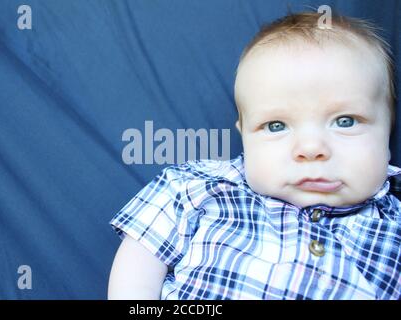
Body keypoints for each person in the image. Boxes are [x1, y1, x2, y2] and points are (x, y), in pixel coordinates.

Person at [108, 11, 401, 300]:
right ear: (245, 134)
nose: (311, 149)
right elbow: (141, 260)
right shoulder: (196, 186)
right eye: (276, 126)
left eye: (345, 121)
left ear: (388, 129)